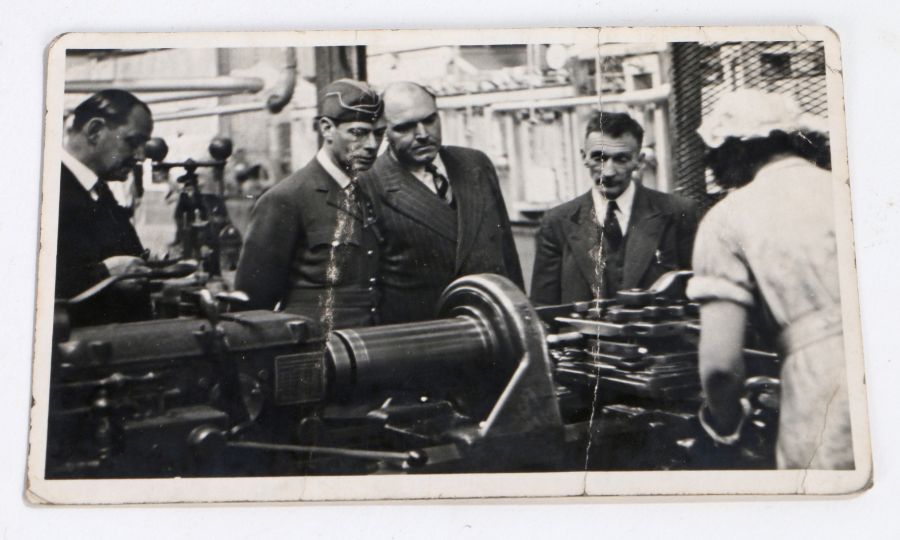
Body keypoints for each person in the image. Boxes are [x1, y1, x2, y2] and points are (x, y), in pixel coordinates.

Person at [688, 89, 853, 469]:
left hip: (825, 386)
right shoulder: (848, 188)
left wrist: (726, 428)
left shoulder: (726, 218)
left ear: (731, 150)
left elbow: (719, 367)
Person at [360, 82, 523, 324]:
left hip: (494, 330)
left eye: (429, 120)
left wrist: (522, 317)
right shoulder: (369, 184)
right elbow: (365, 291)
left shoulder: (475, 164)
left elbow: (507, 254)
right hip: (428, 340)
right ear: (383, 131)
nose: (423, 135)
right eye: (405, 128)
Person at [235, 79, 385, 329]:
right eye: (358, 133)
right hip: (313, 351)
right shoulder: (286, 199)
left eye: (379, 134)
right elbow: (251, 306)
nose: (371, 145)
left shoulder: (370, 190)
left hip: (367, 348)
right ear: (326, 129)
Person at [530, 111, 699, 305]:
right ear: (584, 157)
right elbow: (543, 309)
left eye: (621, 159)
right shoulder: (557, 222)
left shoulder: (677, 213)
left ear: (639, 160)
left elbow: (694, 300)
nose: (608, 172)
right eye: (598, 158)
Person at [58, 89, 154, 325]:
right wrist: (104, 273)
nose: (141, 156)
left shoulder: (97, 190)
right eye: (133, 142)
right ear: (94, 131)